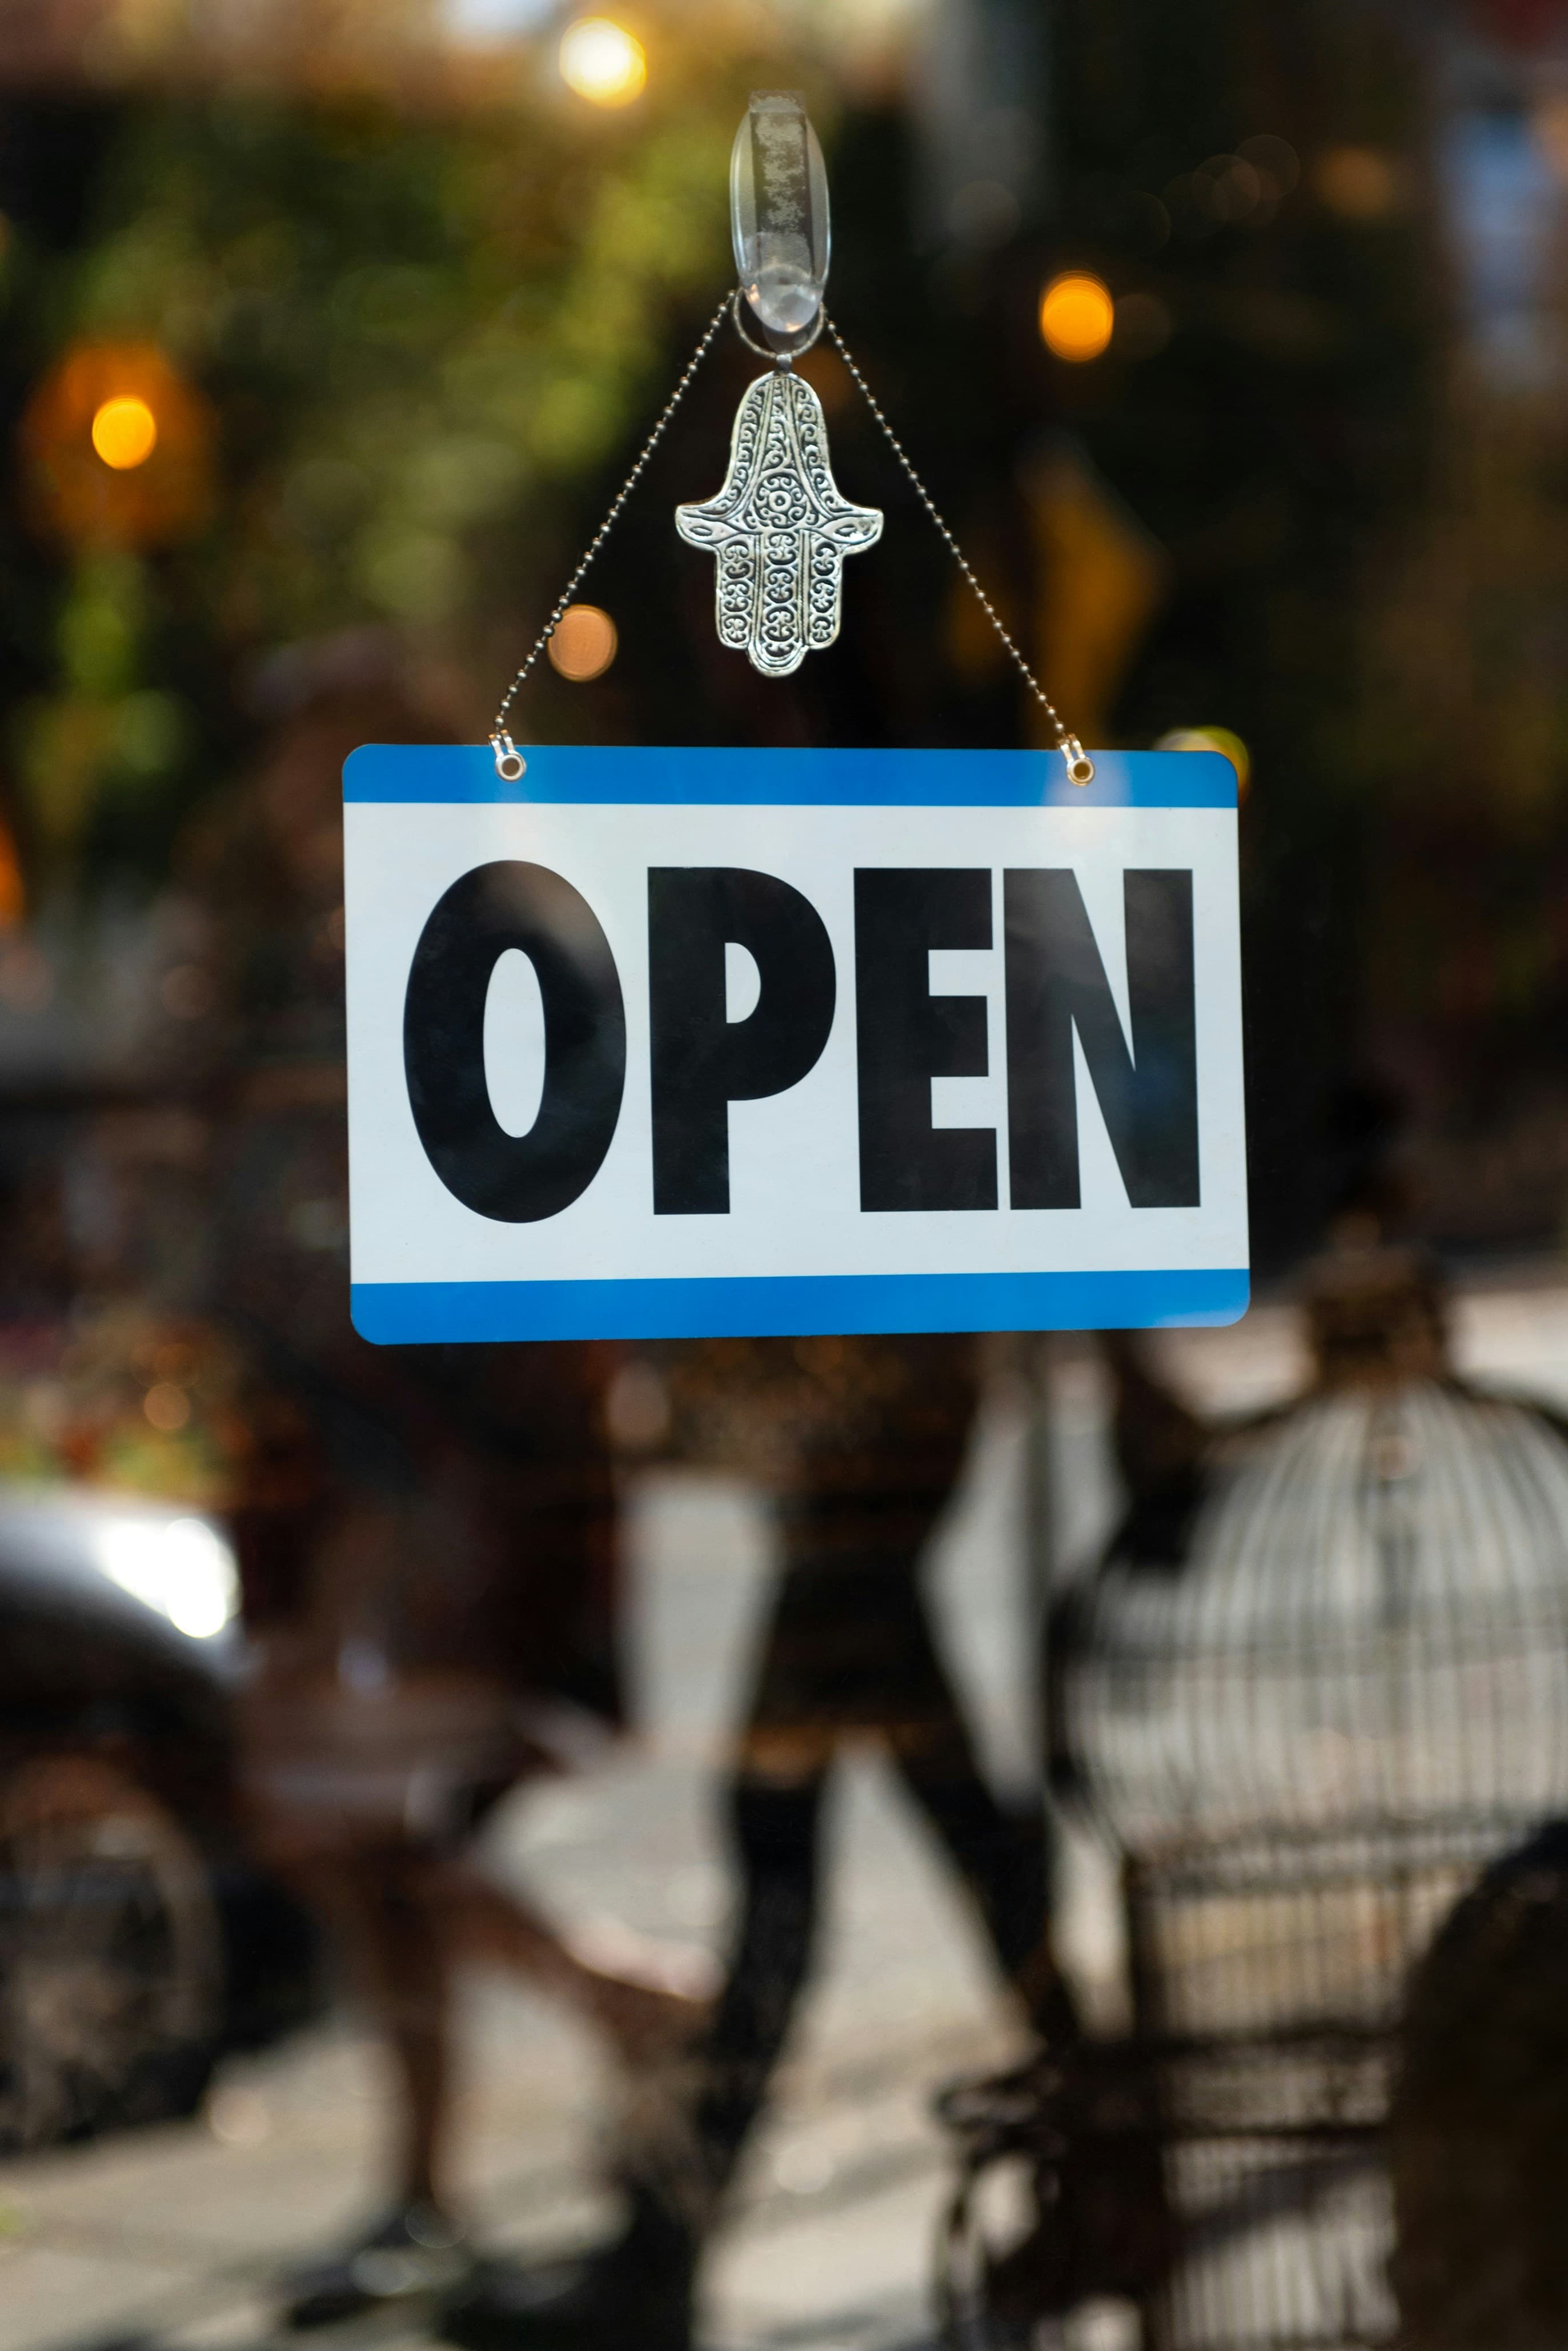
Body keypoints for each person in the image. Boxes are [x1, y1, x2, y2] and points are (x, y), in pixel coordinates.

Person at [173, 640, 707, 2328]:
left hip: (443, 1465)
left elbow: (536, 1216)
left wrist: (451, 1459)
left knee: (367, 1811)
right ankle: (543, 2067)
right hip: (335, 1452)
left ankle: (504, 2107)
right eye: (290, 767)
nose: (296, 800)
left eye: (327, 758)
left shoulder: (492, 934)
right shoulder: (317, 956)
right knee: (346, 1828)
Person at [444, 1331, 1078, 2351]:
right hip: (855, 1463)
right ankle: (1110, 2169)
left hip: (863, 1458)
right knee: (923, 1853)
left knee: (803, 1876)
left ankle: (660, 2253)